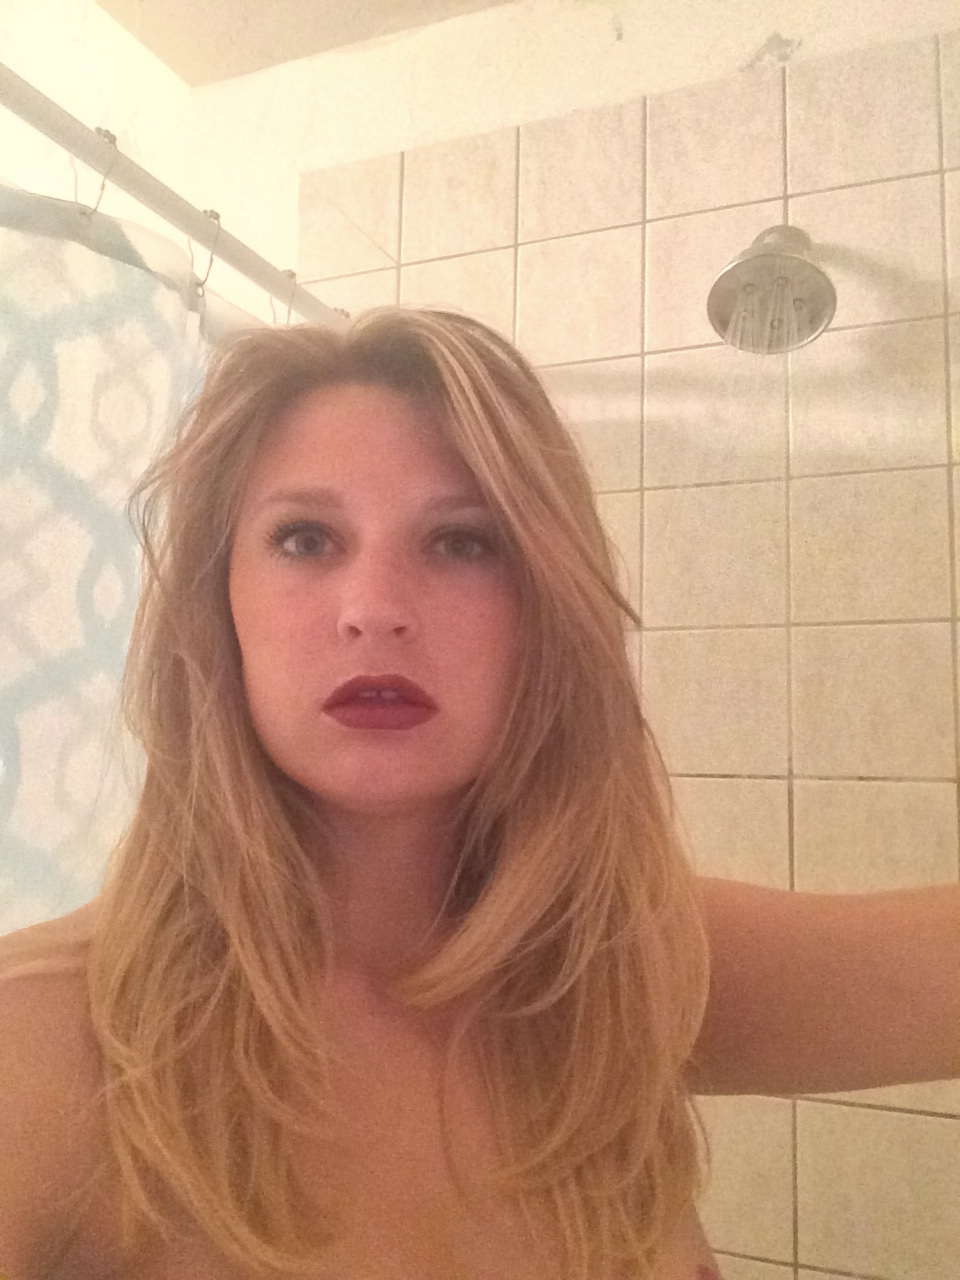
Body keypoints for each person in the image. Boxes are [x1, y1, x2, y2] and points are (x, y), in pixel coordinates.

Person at [0, 307, 957, 1280]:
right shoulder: (36, 1049)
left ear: (545, 611)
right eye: (305, 538)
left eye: (462, 542)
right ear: (219, 604)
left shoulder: (621, 964)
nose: (375, 609)